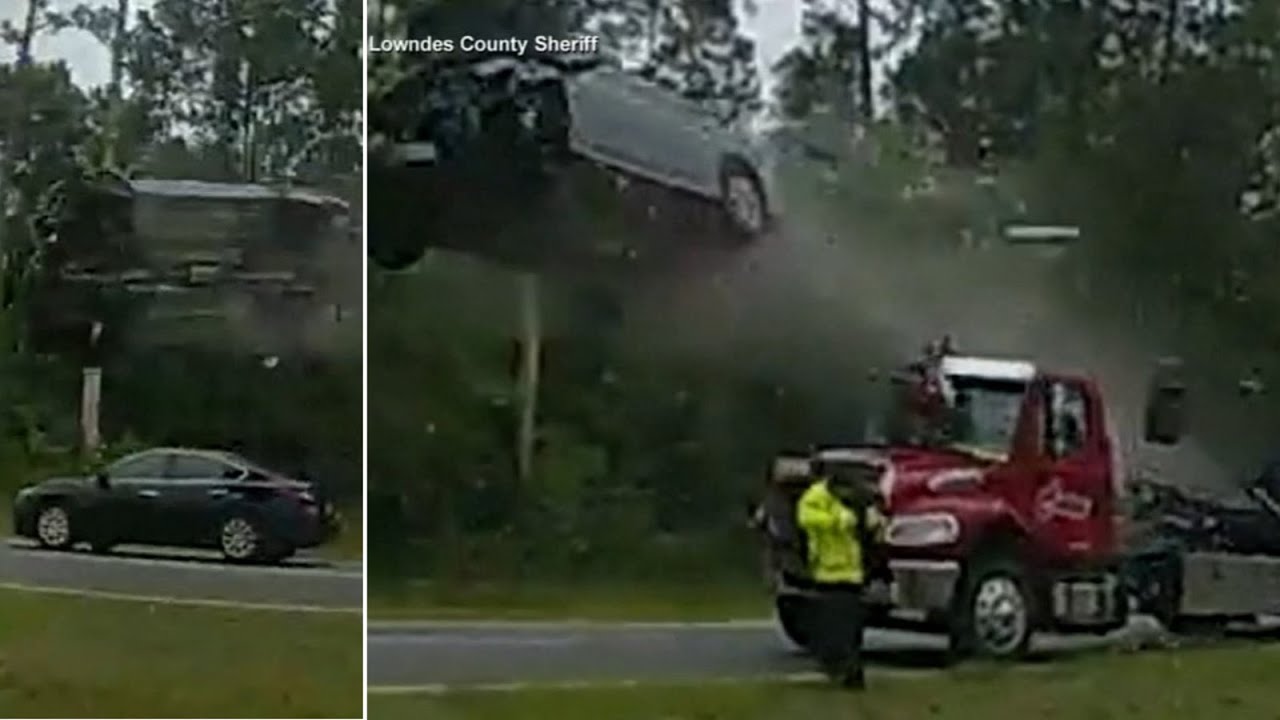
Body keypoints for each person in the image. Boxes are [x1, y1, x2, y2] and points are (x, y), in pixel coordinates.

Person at [796, 464, 887, 689]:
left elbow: (872, 524)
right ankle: (840, 666)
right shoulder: (815, 497)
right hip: (827, 572)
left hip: (853, 573)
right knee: (833, 625)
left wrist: (875, 523)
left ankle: (849, 669)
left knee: (852, 626)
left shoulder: (860, 498)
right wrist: (839, 519)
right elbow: (806, 518)